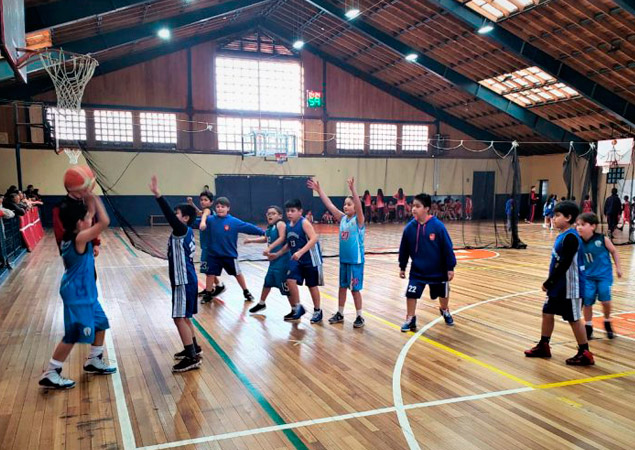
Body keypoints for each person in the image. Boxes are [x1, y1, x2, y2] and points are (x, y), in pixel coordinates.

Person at [39, 193, 116, 389]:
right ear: (79, 223)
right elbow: (104, 221)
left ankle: (93, 360)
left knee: (101, 324)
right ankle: (51, 372)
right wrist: (97, 199)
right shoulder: (80, 238)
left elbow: (90, 213)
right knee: (73, 334)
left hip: (85, 292)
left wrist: (87, 193)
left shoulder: (74, 233)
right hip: (78, 295)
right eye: (86, 219)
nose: (90, 220)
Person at [524, 201, 593, 365]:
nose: (553, 218)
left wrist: (549, 282)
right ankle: (544, 345)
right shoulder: (563, 235)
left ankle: (585, 352)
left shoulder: (571, 237)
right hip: (559, 286)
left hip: (571, 287)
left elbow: (565, 264)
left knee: (574, 318)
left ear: (568, 217)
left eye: (557, 216)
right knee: (547, 312)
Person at [149, 176, 202, 372]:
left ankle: (191, 357)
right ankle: (194, 347)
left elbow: (170, 218)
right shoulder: (183, 231)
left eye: (177, 213)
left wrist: (158, 195)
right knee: (185, 317)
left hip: (183, 280)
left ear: (185, 218)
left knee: (178, 317)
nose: (174, 216)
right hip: (187, 278)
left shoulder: (181, 229)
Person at [308, 177, 365, 328]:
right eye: (345, 204)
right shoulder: (343, 219)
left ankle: (360, 316)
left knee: (355, 290)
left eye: (349, 204)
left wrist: (353, 190)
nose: (346, 206)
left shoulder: (358, 221)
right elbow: (330, 205)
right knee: (342, 287)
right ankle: (340, 313)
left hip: (355, 261)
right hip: (344, 260)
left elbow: (359, 207)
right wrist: (319, 190)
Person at [398, 193, 456, 332]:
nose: (413, 209)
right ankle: (410, 318)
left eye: (418, 206)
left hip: (438, 270)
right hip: (418, 271)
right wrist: (402, 266)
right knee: (411, 294)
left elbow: (447, 248)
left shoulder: (438, 227)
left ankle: (444, 309)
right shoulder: (409, 229)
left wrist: (450, 267)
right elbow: (404, 249)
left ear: (427, 208)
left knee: (443, 293)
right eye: (413, 206)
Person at [203, 197, 264, 302]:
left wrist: (262, 232)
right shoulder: (210, 220)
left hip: (229, 255)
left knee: (237, 273)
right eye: (218, 207)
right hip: (213, 255)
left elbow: (248, 227)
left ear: (228, 208)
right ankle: (208, 294)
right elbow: (195, 222)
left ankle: (246, 292)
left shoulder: (233, 221)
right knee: (210, 274)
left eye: (223, 207)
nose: (220, 209)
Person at [576, 212, 622, 340]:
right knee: (588, 301)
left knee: (606, 301)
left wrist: (618, 268)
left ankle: (607, 321)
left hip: (603, 275)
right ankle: (588, 326)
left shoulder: (602, 239)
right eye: (577, 224)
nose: (579, 227)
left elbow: (614, 251)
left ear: (593, 226)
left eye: (583, 224)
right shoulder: (578, 241)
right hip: (588, 276)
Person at [244, 206, 291, 314]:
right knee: (267, 283)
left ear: (280, 215)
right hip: (273, 261)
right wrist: (251, 240)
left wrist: (269, 248)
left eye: (273, 213)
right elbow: (265, 239)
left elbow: (282, 238)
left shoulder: (280, 224)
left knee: (285, 287)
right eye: (268, 213)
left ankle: (295, 308)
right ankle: (261, 303)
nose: (270, 215)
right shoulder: (270, 228)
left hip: (282, 260)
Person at [283, 198, 323, 323]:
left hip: (311, 258)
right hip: (298, 259)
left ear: (300, 212)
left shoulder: (304, 223)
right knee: (290, 280)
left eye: (292, 211)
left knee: (312, 285)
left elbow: (314, 238)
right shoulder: (288, 225)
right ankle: (298, 307)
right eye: (288, 211)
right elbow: (289, 244)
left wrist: (300, 252)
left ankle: (317, 310)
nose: (289, 213)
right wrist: (277, 253)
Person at [190, 191, 225, 303]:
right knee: (206, 269)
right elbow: (200, 213)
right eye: (201, 200)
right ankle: (218, 286)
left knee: (208, 270)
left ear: (211, 202)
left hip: (210, 247)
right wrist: (191, 203)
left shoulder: (208, 211)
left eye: (205, 200)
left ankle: (209, 293)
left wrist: (203, 222)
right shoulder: (208, 211)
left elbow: (203, 214)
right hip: (207, 246)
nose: (203, 202)